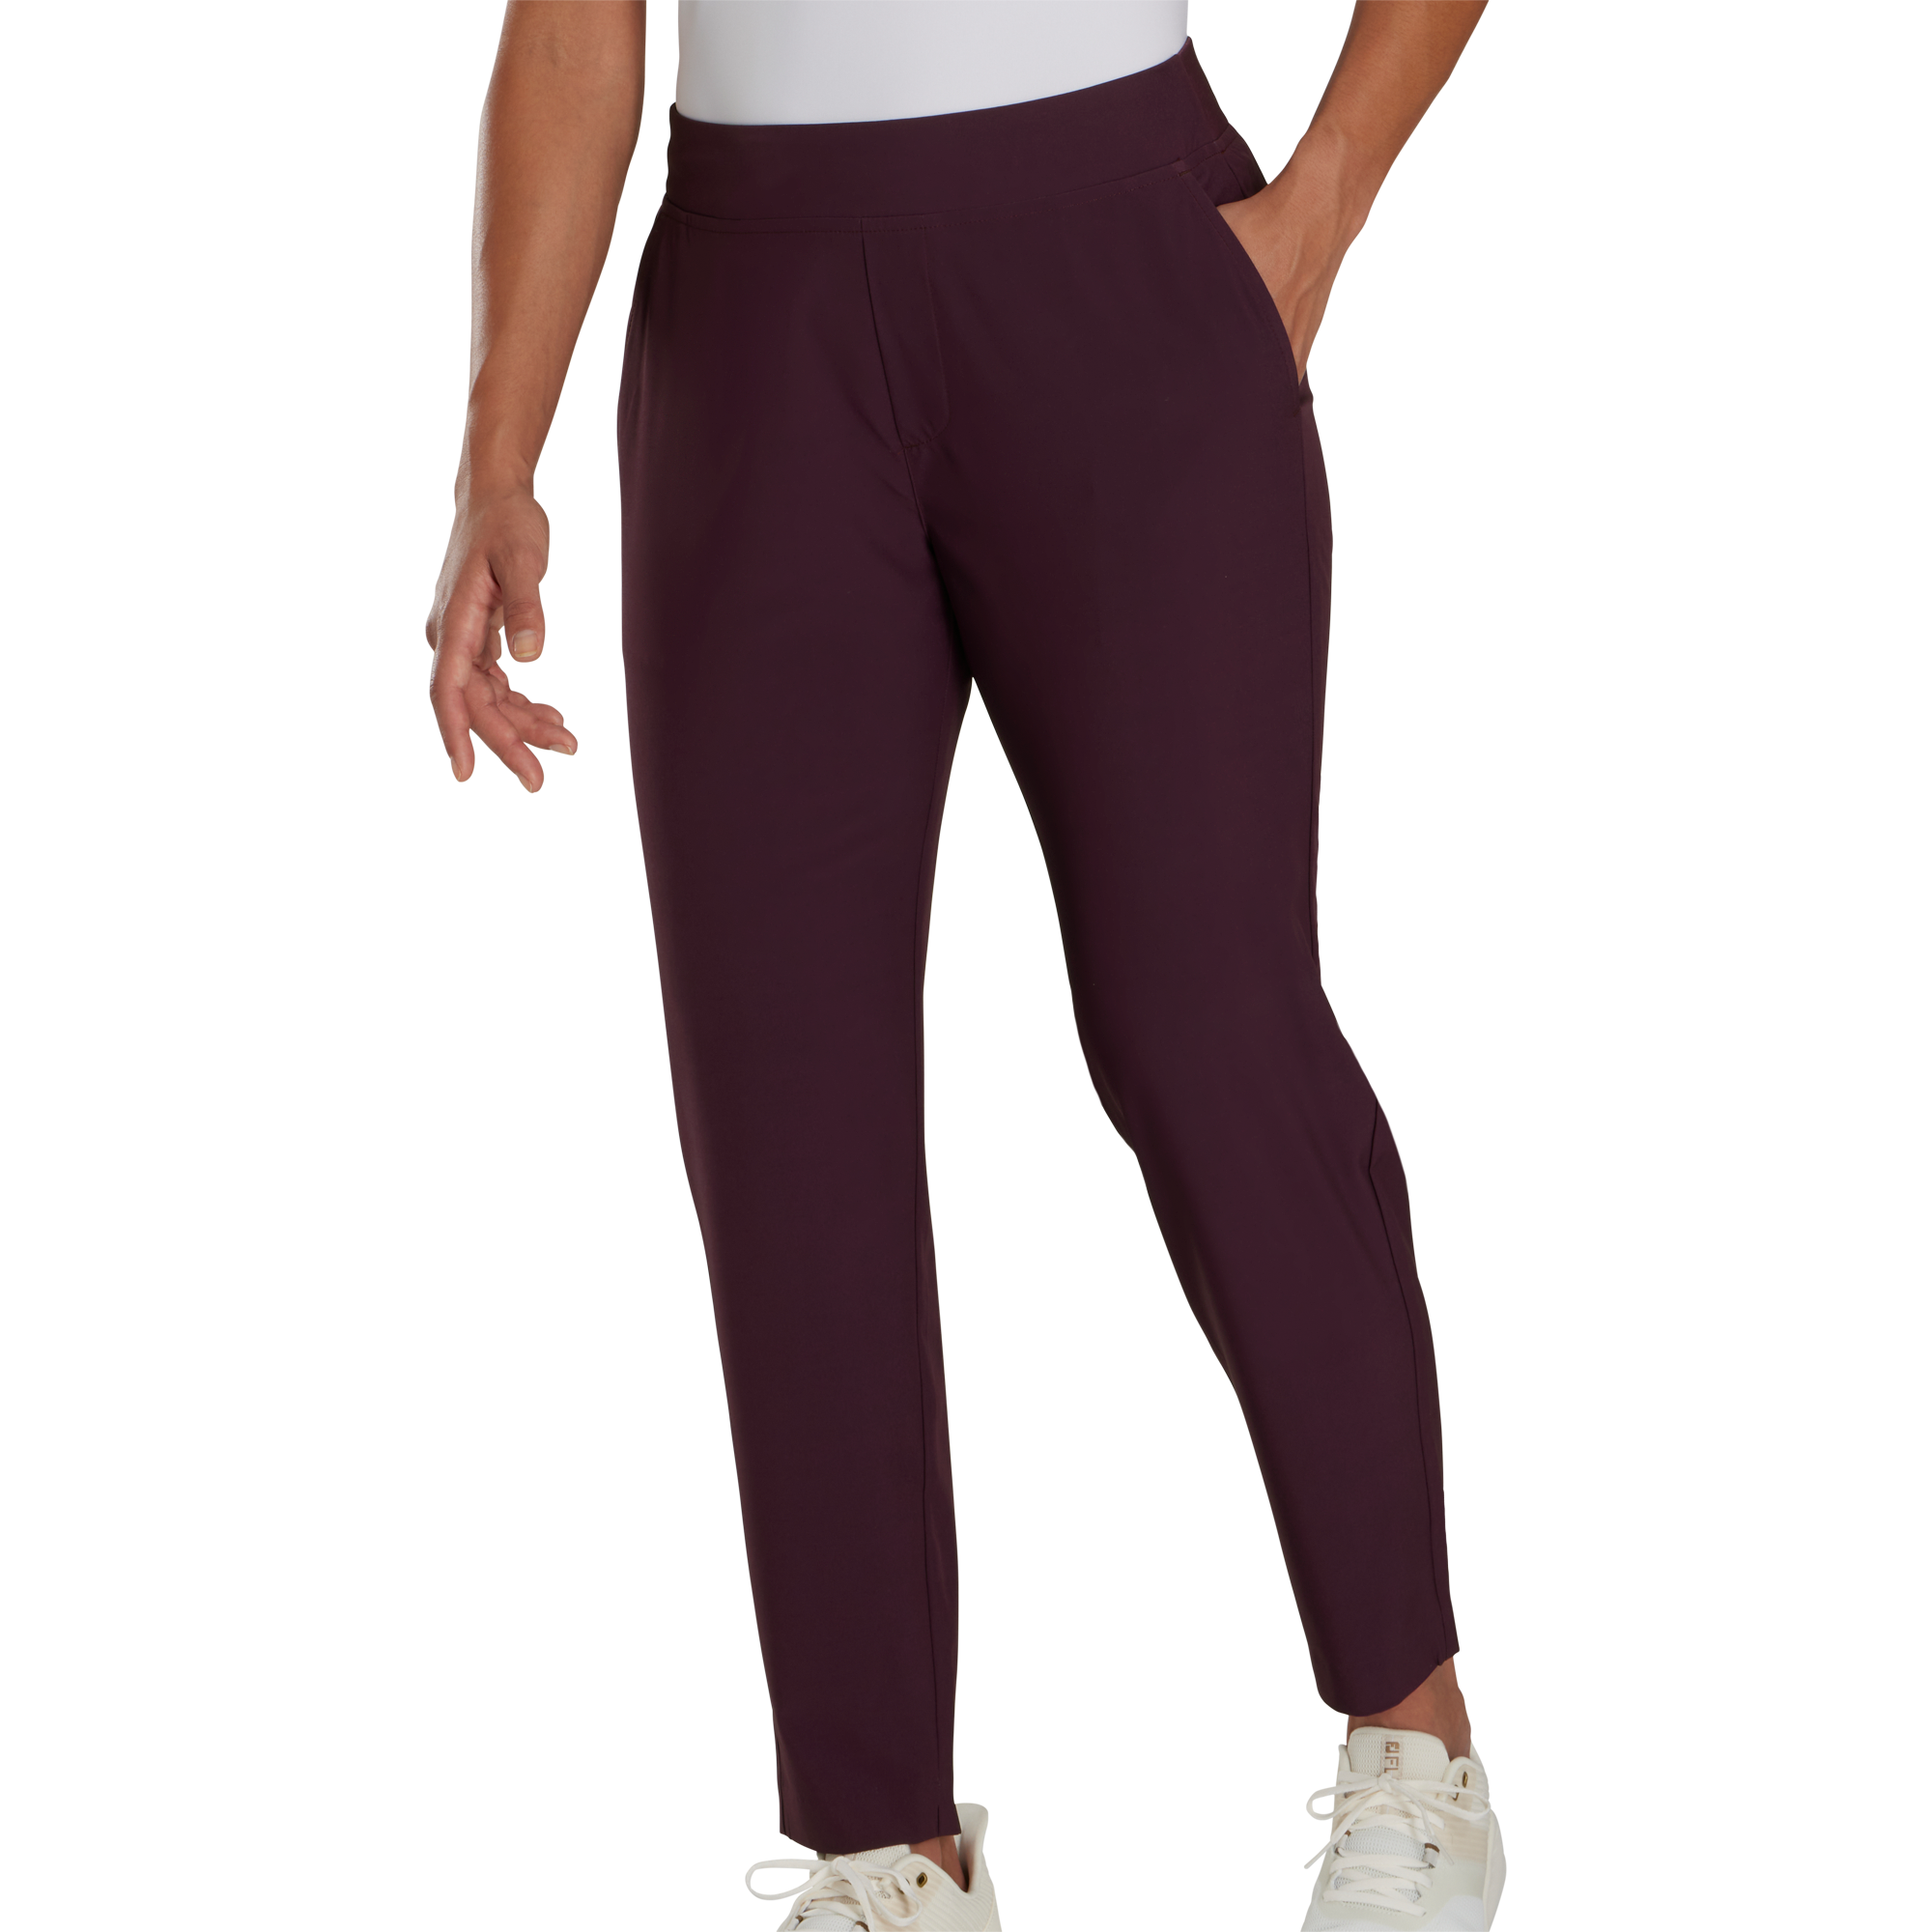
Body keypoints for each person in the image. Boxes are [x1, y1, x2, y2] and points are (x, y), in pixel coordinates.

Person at [427, 1, 1498, 1924]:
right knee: (780, 1097)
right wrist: (498, 446)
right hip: (755, 309)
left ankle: (1407, 1721)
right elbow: (577, 27)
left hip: (1118, 259)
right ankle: (878, 1842)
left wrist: (1319, 206)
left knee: (1208, 1030)